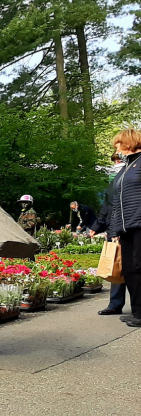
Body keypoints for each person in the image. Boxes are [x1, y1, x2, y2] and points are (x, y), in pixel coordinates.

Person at [92, 130, 141, 326]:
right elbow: (114, 203)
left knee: (139, 267)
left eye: (118, 144)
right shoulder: (124, 169)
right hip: (125, 227)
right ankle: (137, 311)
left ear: (128, 143)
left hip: (139, 224)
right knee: (129, 269)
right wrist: (113, 230)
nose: (116, 148)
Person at [91, 153, 131, 315]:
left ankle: (136, 308)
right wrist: (97, 225)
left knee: (134, 268)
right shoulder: (113, 182)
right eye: (114, 161)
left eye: (119, 160)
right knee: (117, 266)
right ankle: (115, 303)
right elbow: (107, 207)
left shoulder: (131, 177)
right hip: (114, 229)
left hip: (128, 228)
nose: (116, 163)